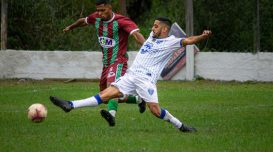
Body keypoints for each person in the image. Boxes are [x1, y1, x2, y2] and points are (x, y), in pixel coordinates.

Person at [51, 16, 212, 132]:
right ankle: (70, 105)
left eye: (155, 26)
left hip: (146, 80)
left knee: (155, 111)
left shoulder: (171, 41)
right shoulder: (151, 37)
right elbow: (140, 36)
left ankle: (181, 126)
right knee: (105, 95)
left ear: (164, 29)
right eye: (152, 25)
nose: (152, 28)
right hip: (131, 75)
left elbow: (188, 41)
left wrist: (202, 36)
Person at [62, 0, 146, 126]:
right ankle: (138, 99)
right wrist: (71, 27)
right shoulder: (96, 18)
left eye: (103, 10)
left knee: (112, 87)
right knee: (105, 97)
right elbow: (83, 20)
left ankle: (111, 116)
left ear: (109, 7)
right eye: (98, 10)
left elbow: (136, 35)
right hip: (106, 63)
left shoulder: (121, 21)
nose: (100, 13)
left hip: (119, 61)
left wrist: (146, 47)